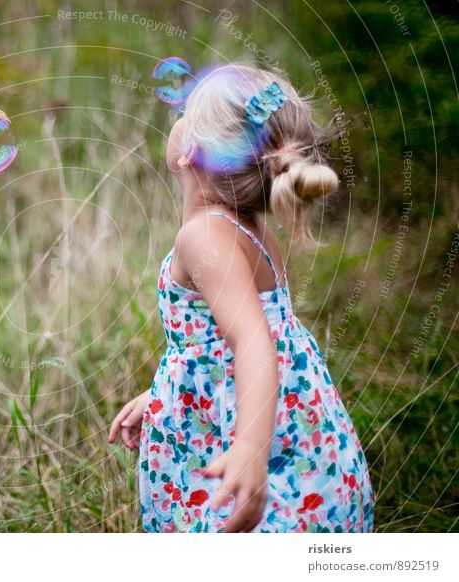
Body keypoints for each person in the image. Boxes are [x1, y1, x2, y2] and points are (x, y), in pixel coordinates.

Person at [108, 64, 374, 533]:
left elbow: (253, 342)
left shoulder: (204, 237)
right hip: (305, 453)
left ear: (189, 150)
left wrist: (250, 452)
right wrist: (163, 396)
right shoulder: (245, 231)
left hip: (267, 471)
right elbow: (221, 353)